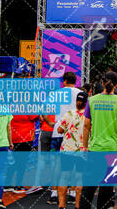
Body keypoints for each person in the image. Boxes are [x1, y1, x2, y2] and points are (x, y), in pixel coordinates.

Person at [80, 71, 117, 209]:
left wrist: (84, 146)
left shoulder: (92, 100)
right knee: (107, 189)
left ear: (102, 83)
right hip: (113, 149)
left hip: (95, 148)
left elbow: (86, 125)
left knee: (88, 188)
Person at [46, 72, 81, 204]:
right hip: (74, 134)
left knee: (56, 164)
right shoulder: (80, 94)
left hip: (58, 132)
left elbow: (44, 108)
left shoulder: (57, 93)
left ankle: (54, 193)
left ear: (64, 81)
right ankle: (72, 193)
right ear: (75, 81)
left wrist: (50, 123)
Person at [56, 91, 88, 209]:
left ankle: (61, 205)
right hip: (82, 151)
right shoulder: (89, 116)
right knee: (79, 178)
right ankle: (78, 205)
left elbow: (60, 130)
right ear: (86, 103)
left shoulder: (68, 114)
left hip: (66, 150)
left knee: (64, 176)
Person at [7, 114, 38, 193]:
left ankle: (7, 184)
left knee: (17, 161)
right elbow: (35, 117)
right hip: (25, 136)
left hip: (14, 136)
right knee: (22, 162)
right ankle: (18, 186)